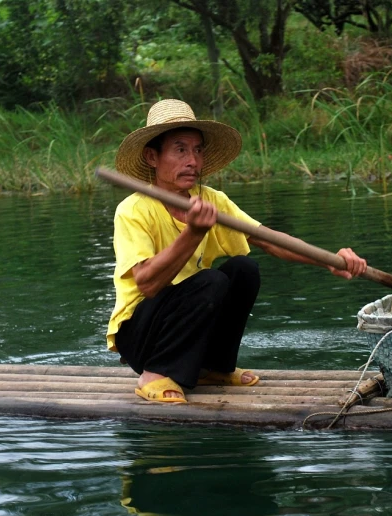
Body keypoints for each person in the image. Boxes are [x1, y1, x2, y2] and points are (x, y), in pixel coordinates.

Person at [106, 99, 367, 403]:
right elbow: (147, 284)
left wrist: (330, 262)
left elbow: (268, 240)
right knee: (210, 281)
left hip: (187, 322)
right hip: (141, 334)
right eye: (180, 150)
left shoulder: (210, 199)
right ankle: (155, 373)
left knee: (244, 269)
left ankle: (213, 366)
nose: (192, 161)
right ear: (152, 156)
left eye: (197, 150)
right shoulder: (133, 210)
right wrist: (193, 234)